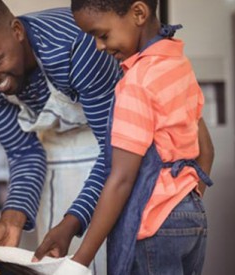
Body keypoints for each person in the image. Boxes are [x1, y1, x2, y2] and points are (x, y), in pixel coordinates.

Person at [0, 1, 123, 274]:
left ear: (17, 31)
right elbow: (24, 152)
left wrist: (73, 221)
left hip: (117, 154)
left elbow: (114, 151)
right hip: (56, 157)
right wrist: (12, 217)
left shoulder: (76, 45)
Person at [44, 0, 215, 274]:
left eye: (102, 35)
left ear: (138, 13)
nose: (99, 46)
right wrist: (181, 205)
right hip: (192, 220)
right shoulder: (179, 65)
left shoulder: (136, 82)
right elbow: (206, 151)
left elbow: (121, 179)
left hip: (152, 227)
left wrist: (79, 261)